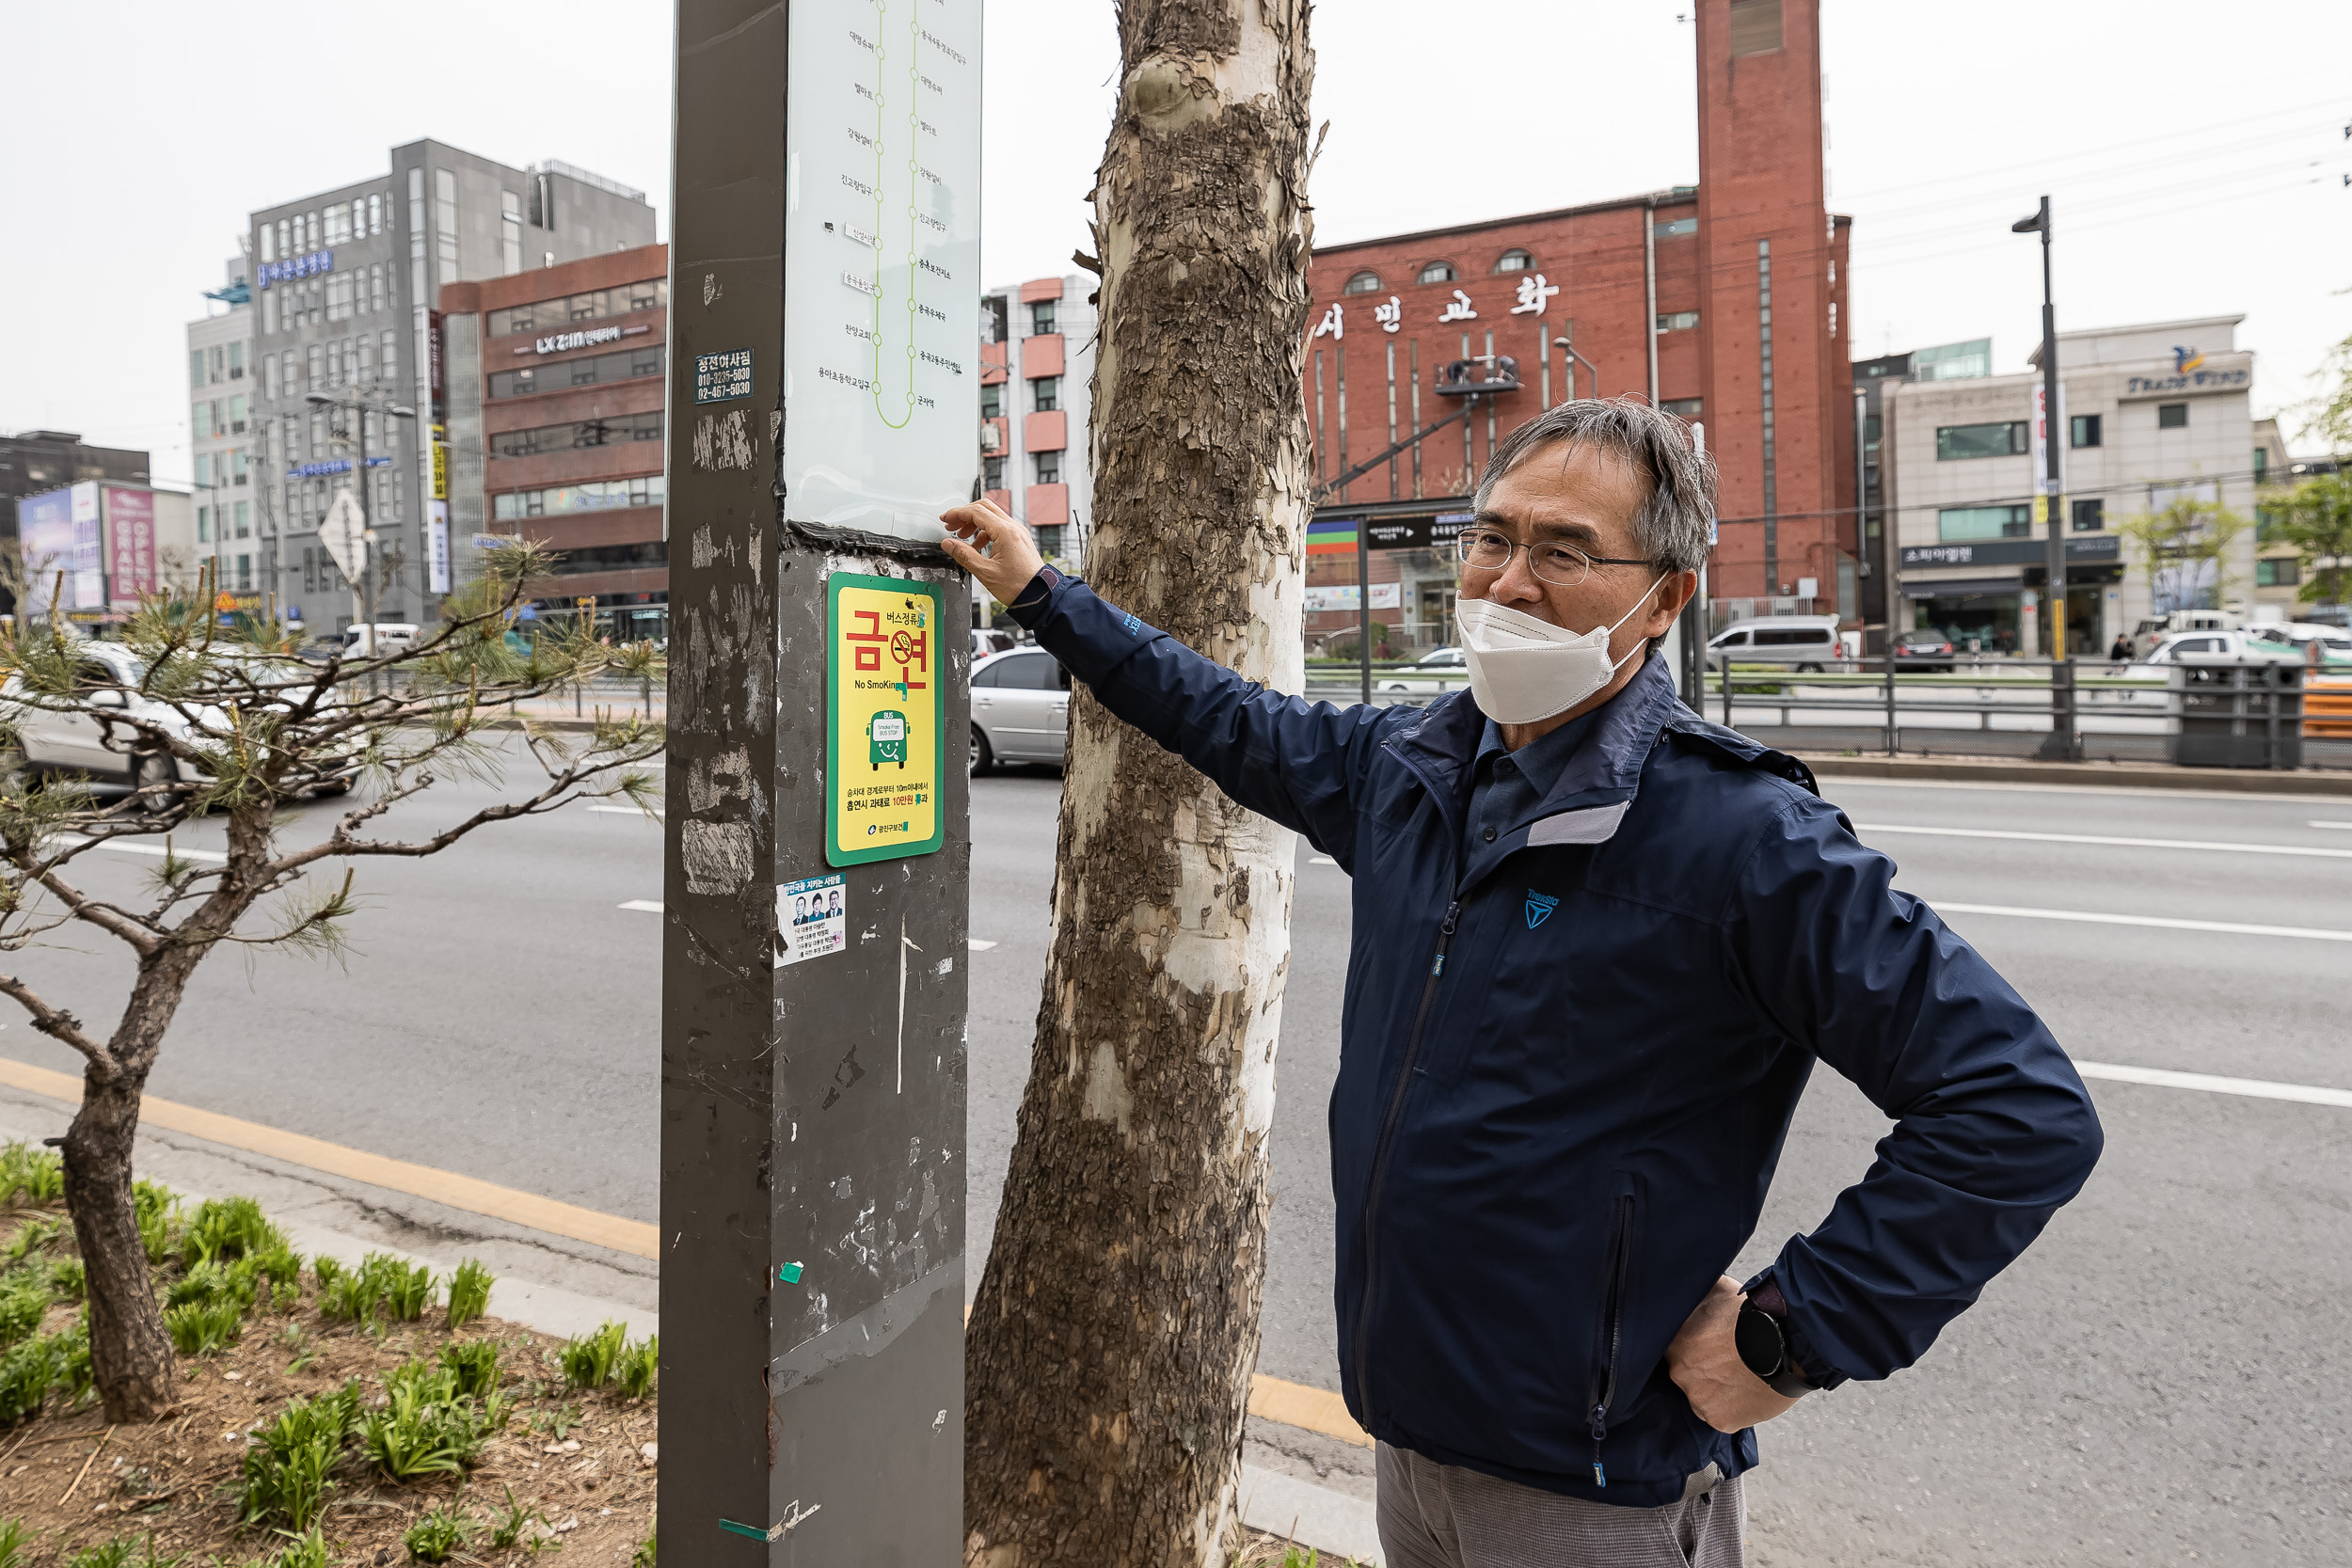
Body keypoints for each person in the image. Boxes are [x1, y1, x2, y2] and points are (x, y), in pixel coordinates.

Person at [941, 399, 2103, 1568]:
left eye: (1564, 551)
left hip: (1592, 1492)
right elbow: (1227, 716)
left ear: (1665, 597)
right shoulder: (1409, 770)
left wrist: (1789, 1336)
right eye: (1492, 538)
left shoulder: (1745, 839)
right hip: (1411, 1439)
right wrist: (1047, 598)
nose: (1508, 581)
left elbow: (2016, 1109)